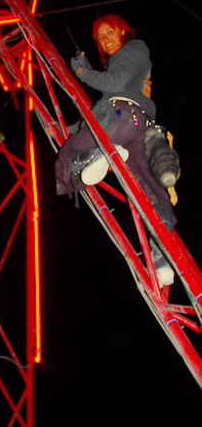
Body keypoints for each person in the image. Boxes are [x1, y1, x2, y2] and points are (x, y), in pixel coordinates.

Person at [54, 14, 180, 286]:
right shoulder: (127, 62)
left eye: (109, 32)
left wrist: (82, 72)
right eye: (100, 38)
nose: (104, 40)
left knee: (69, 153)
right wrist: (68, 126)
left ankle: (98, 155)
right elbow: (105, 98)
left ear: (123, 31)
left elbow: (113, 84)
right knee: (154, 195)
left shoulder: (135, 49)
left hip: (122, 119)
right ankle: (162, 260)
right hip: (138, 128)